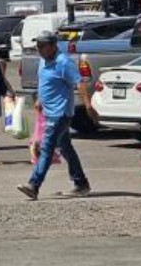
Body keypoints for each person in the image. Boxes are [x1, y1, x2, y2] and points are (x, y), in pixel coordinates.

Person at [17, 31, 97, 200]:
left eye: (42, 46)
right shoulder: (43, 61)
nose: (39, 49)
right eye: (37, 46)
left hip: (60, 113)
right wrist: (40, 98)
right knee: (66, 148)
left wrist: (88, 106)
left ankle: (34, 185)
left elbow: (79, 83)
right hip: (49, 111)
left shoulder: (63, 62)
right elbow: (44, 81)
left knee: (46, 148)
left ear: (53, 46)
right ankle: (81, 183)